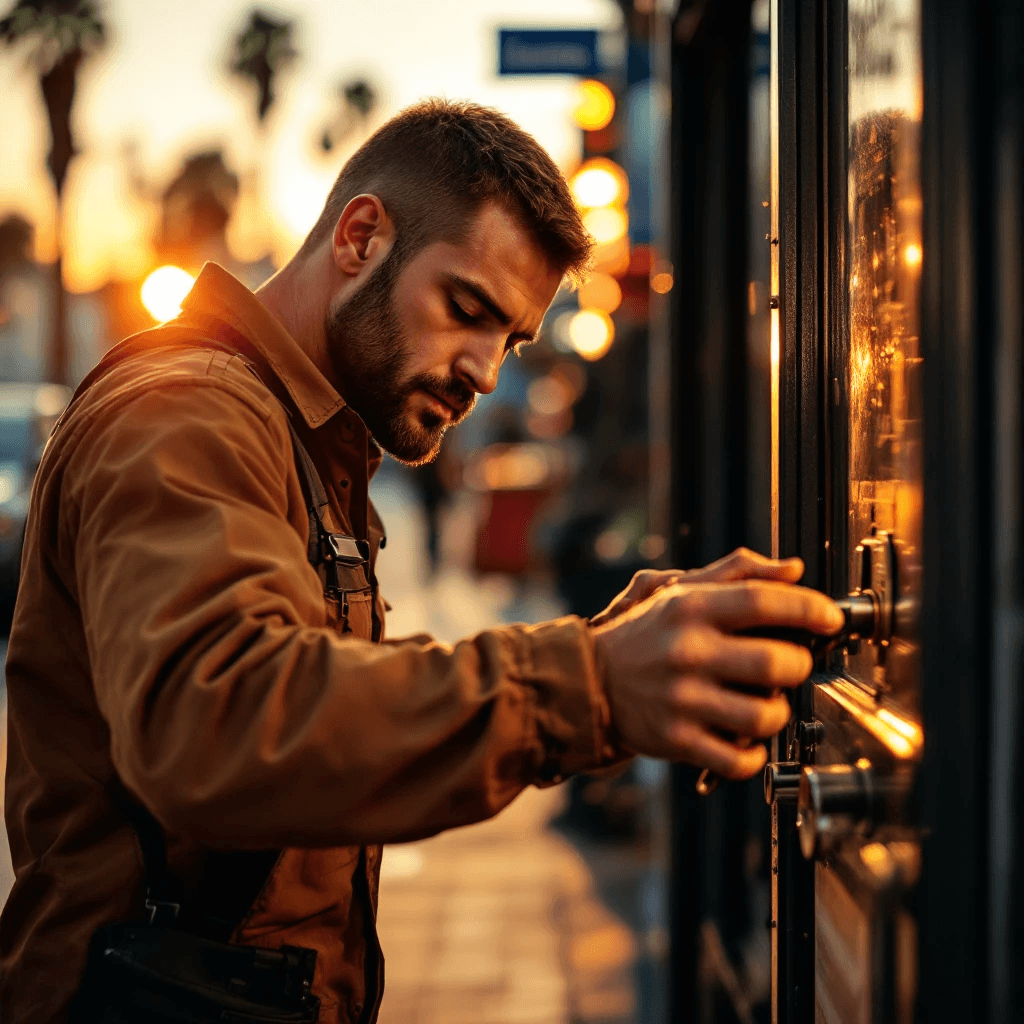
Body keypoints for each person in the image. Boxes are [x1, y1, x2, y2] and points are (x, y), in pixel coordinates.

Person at [0, 100, 843, 1024]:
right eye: (466, 310)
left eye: (509, 339)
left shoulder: (299, 434)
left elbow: (322, 704)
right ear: (360, 238)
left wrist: (607, 651)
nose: (486, 371)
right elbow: (224, 725)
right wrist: (588, 682)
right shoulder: (188, 414)